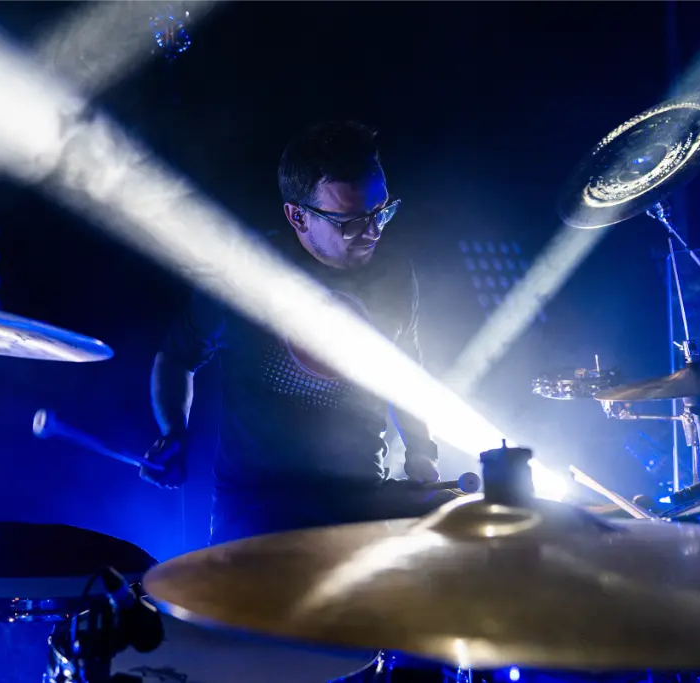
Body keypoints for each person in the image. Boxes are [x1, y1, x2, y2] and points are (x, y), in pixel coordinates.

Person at [141, 121, 462, 545]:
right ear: (298, 216)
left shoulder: (395, 274)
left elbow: (406, 375)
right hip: (260, 509)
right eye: (350, 221)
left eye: (381, 211)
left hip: (360, 501)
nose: (373, 232)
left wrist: (422, 453)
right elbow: (177, 357)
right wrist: (173, 431)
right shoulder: (245, 273)